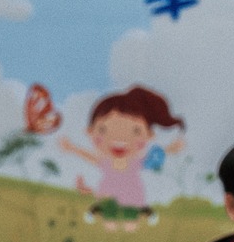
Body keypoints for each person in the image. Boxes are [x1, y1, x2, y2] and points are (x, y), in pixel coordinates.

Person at [58, 85, 186, 231]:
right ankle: (100, 212)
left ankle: (143, 213)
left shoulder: (135, 162)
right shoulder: (106, 162)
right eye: (103, 129)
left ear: (149, 135)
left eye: (135, 131)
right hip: (108, 196)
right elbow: (89, 157)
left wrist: (170, 149)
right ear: (90, 131)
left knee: (131, 225)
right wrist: (73, 148)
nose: (119, 138)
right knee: (109, 224)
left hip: (132, 196)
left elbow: (153, 157)